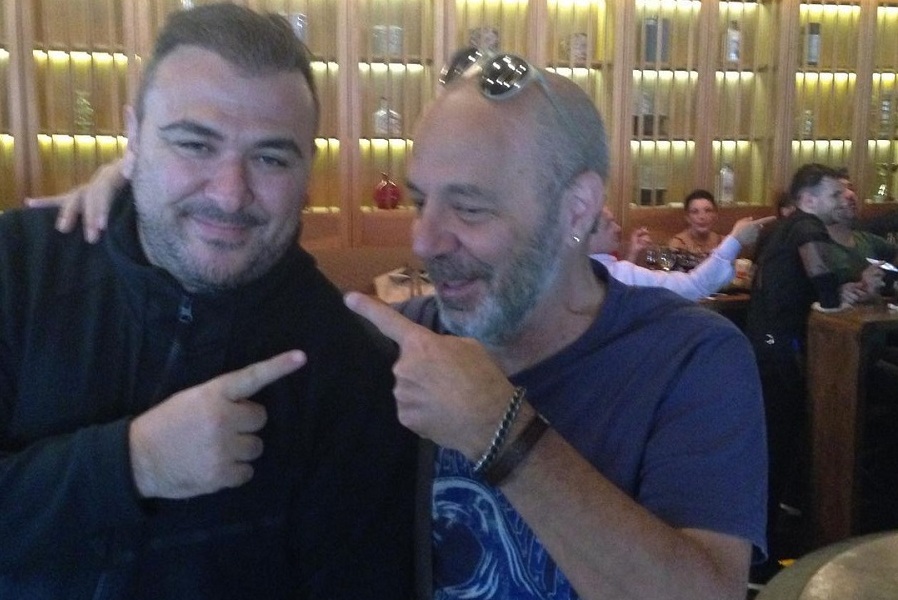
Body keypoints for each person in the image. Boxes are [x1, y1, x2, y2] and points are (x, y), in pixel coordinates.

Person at [34, 49, 768, 600]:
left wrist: (502, 434)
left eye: (469, 207)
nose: (425, 240)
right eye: (422, 201)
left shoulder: (690, 358)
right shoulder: (385, 344)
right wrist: (142, 203)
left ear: (576, 209)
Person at [1, 5, 416, 598]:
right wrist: (130, 465)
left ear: (307, 171)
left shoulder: (353, 368)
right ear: (133, 139)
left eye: (270, 158)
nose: (229, 194)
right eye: (195, 145)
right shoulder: (18, 269)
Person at [744, 163, 877, 580]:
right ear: (808, 199)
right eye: (834, 194)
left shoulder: (782, 228)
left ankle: (762, 546)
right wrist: (833, 298)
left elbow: (797, 283)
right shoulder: (806, 225)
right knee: (777, 451)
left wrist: (836, 293)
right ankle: (759, 558)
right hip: (779, 351)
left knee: (772, 451)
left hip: (763, 346)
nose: (843, 199)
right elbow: (820, 276)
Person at [589, 206, 774, 301]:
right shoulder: (613, 274)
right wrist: (735, 240)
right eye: (609, 224)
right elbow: (694, 285)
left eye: (708, 210)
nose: (618, 228)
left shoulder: (578, 272)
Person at [825, 170, 897, 290]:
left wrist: (887, 280)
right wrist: (863, 285)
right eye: (839, 191)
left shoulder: (866, 238)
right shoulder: (817, 246)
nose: (850, 194)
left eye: (851, 188)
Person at [668, 189, 723, 253]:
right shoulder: (678, 244)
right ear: (687, 217)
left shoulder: (724, 242)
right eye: (695, 212)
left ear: (715, 215)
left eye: (708, 211)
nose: (702, 217)